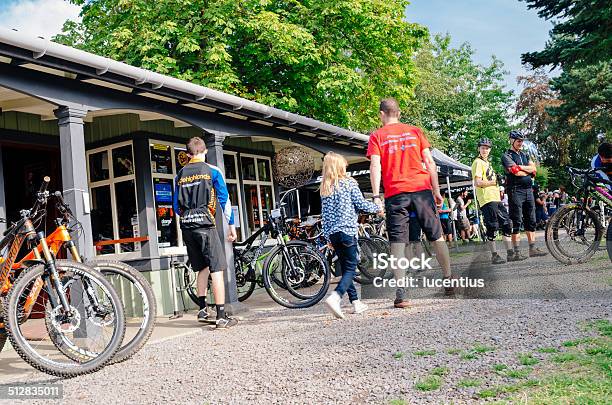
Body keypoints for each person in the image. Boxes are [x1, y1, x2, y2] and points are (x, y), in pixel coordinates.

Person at [368, 98, 455, 308]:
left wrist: (376, 196)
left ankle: (401, 292)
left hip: (395, 194)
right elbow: (430, 162)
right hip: (421, 190)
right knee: (436, 236)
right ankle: (449, 279)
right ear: (399, 113)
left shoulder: (377, 136)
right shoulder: (415, 131)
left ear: (381, 114)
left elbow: (375, 166)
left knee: (398, 242)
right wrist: (436, 191)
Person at [173, 136, 238, 329]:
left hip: (187, 226)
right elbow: (224, 201)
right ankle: (220, 316)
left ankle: (202, 308)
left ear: (187, 154)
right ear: (205, 151)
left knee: (202, 267)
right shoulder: (212, 171)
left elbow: (176, 206)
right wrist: (231, 226)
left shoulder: (180, 175)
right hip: (205, 225)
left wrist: (189, 215)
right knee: (216, 269)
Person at [320, 152, 382, 319]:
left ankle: (356, 303)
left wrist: (327, 238)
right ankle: (336, 297)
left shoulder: (325, 187)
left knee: (347, 267)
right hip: (347, 231)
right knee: (350, 268)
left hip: (333, 234)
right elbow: (361, 204)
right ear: (339, 166)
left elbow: (324, 216)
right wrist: (378, 207)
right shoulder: (349, 183)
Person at [501, 130, 547, 258]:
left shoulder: (525, 155)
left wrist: (521, 167)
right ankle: (516, 252)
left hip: (528, 191)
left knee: (531, 220)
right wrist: (526, 170)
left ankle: (532, 249)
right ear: (511, 140)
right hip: (515, 190)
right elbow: (515, 172)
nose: (521, 143)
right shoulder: (506, 156)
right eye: (518, 141)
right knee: (516, 220)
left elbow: (534, 169)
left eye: (522, 141)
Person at [471, 138, 517, 264]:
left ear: (490, 150)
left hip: (496, 198)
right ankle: (494, 255)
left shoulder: (487, 163)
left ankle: (510, 253)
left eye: (487, 148)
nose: (485, 150)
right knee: (492, 226)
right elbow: (478, 182)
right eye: (482, 148)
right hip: (486, 199)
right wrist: (494, 181)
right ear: (478, 149)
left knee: (507, 223)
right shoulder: (477, 162)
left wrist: (498, 179)